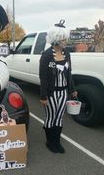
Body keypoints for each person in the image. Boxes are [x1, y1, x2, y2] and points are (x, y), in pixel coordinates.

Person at [39, 20, 77, 153]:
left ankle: (57, 142)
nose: (66, 41)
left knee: (59, 117)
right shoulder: (47, 55)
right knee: (51, 117)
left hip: (63, 93)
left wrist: (72, 90)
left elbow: (69, 73)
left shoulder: (67, 53)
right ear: (57, 39)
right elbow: (43, 78)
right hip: (51, 94)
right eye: (64, 39)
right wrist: (43, 96)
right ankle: (50, 142)